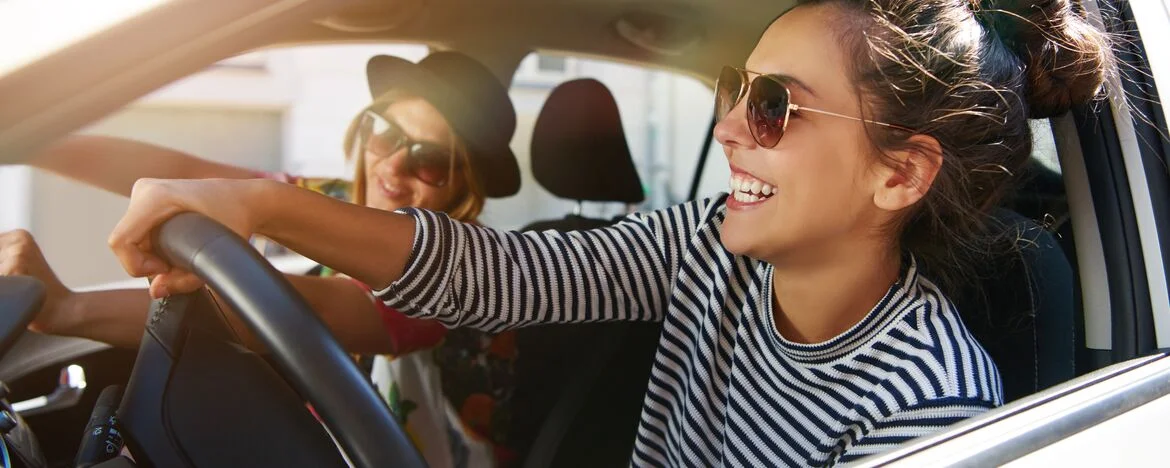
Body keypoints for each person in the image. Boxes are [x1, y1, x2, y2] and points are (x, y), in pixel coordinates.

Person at [71, 0, 1123, 465]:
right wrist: (251, 205)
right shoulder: (706, 243)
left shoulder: (929, 404)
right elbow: (507, 275)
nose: (725, 128)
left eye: (773, 108)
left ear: (898, 172)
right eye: (731, 90)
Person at [3, 52, 525, 467]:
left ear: (464, 186)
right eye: (385, 132)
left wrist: (69, 307)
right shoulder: (339, 197)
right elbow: (188, 175)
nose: (390, 167)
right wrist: (36, 140)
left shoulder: (462, 268)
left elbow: (302, 312)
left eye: (429, 161)